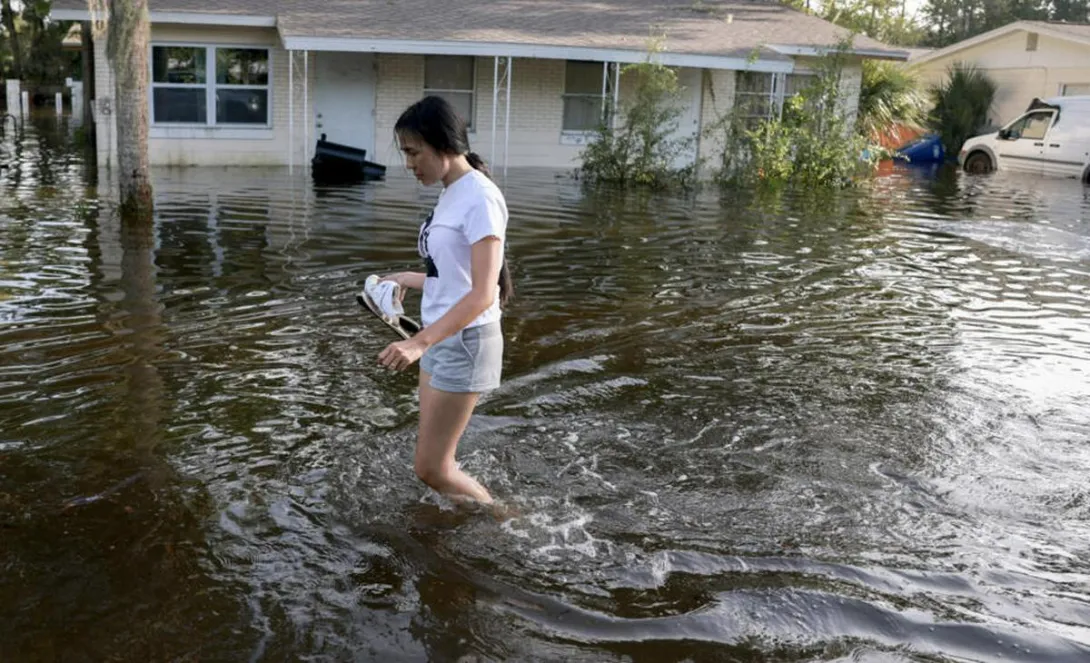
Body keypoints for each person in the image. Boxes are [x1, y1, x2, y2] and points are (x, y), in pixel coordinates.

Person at [378, 95, 513, 506]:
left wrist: (418, 342)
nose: (409, 163)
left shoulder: (480, 197)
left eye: (413, 152)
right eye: (406, 153)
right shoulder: (451, 191)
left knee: (432, 468)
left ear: (443, 145)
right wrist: (407, 279)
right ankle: (456, 514)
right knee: (434, 462)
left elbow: (482, 293)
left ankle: (506, 518)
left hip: (464, 341)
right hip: (440, 338)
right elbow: (453, 278)